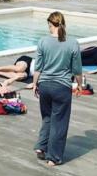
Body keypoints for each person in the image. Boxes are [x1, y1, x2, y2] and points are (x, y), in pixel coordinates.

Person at [32, 12, 83, 167]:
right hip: (62, 87)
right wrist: (79, 85)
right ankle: (53, 157)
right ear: (63, 24)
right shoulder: (73, 43)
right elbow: (77, 69)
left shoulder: (43, 42)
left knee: (47, 117)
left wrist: (35, 84)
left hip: (45, 86)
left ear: (50, 24)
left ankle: (41, 147)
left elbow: (38, 67)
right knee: (59, 122)